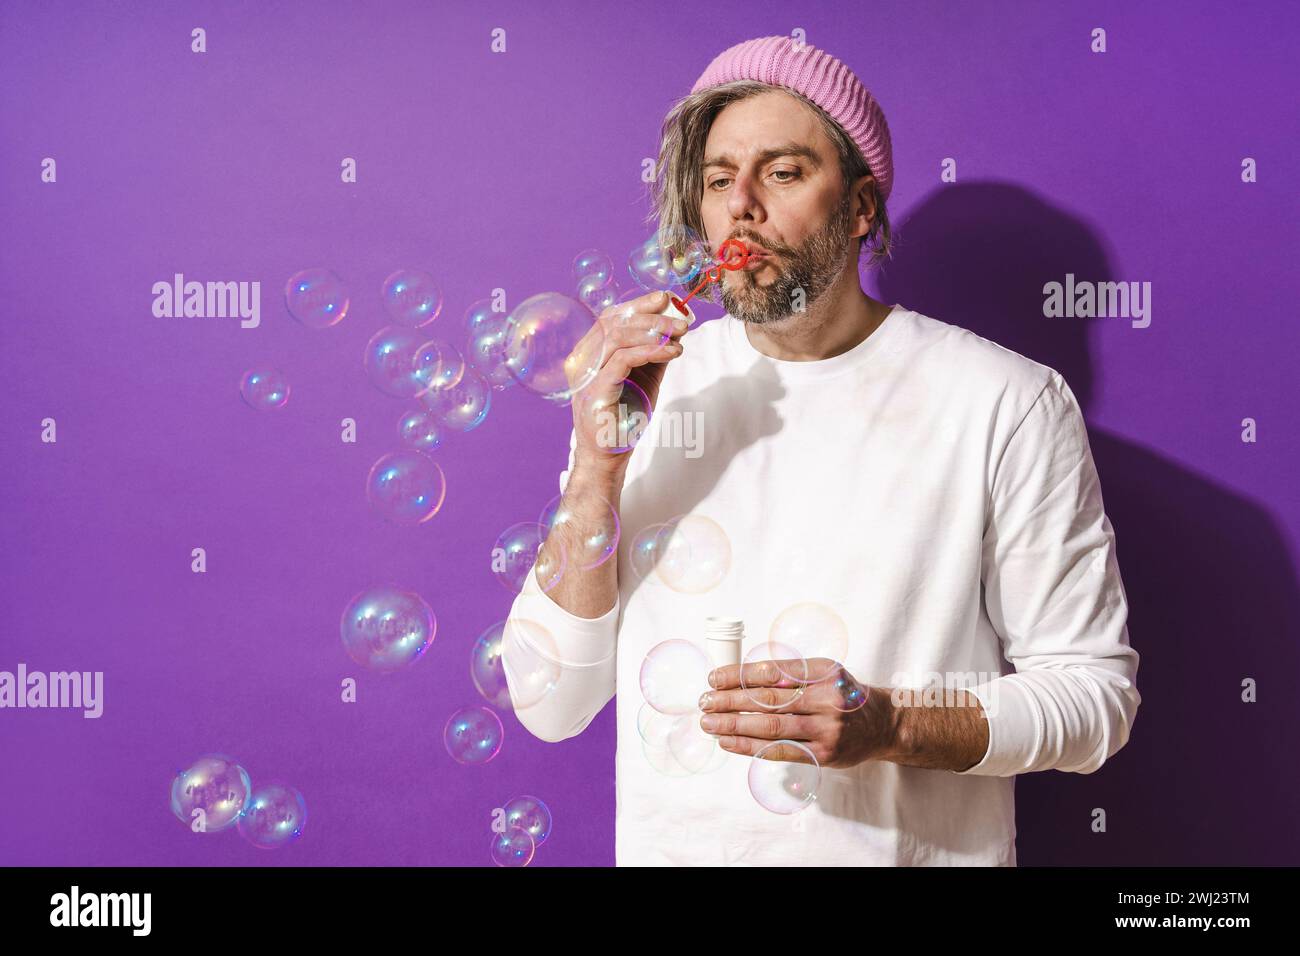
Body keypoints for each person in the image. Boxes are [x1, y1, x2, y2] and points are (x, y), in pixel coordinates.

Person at [502, 35, 1140, 866]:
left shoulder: (1007, 403)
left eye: (785, 172)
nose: (743, 207)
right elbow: (551, 703)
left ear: (862, 208)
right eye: (721, 179)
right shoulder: (646, 393)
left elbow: (1095, 701)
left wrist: (891, 725)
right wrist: (596, 466)